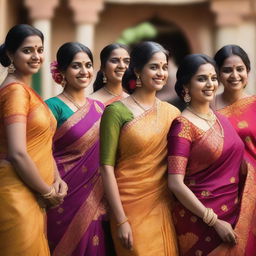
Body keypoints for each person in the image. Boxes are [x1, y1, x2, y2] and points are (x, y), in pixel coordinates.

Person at [167, 53, 256, 255]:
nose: (210, 84)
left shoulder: (220, 118)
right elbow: (175, 183)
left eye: (213, 78)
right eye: (201, 79)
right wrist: (213, 221)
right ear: (186, 87)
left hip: (236, 212)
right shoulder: (182, 127)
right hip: (200, 220)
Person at [100, 41, 180, 256]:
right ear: (136, 70)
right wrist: (121, 220)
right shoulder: (116, 112)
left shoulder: (172, 113)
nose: (161, 73)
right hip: (129, 208)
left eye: (164, 67)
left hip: (163, 206)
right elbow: (106, 168)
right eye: (154, 67)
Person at [0, 24, 67, 256]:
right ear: (10, 54)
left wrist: (56, 178)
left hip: (33, 191)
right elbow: (18, 152)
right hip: (18, 194)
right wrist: (47, 192)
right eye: (28, 50)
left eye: (39, 50)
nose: (36, 56)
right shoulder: (15, 92)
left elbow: (41, 142)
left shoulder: (26, 91)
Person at [46, 42, 115, 256]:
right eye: (76, 66)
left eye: (88, 65)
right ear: (63, 71)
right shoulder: (51, 107)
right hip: (63, 193)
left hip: (96, 194)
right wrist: (55, 181)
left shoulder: (100, 108)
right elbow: (42, 150)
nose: (84, 71)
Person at [213, 45, 256, 166]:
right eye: (227, 70)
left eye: (240, 69)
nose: (234, 75)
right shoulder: (207, 107)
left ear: (247, 71)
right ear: (218, 74)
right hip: (220, 180)